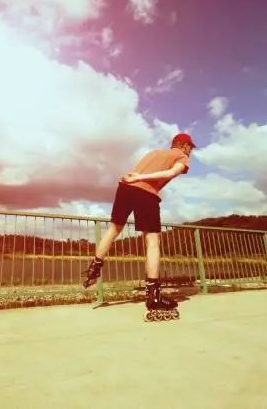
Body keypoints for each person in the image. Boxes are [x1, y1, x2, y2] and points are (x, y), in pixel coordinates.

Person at [82, 133, 196, 321]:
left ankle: (95, 266)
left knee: (114, 228)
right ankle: (153, 295)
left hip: (125, 187)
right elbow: (170, 173)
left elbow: (134, 174)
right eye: (190, 148)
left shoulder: (154, 153)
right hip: (145, 191)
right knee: (152, 240)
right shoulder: (181, 157)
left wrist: (134, 178)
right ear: (184, 146)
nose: (190, 151)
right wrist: (142, 178)